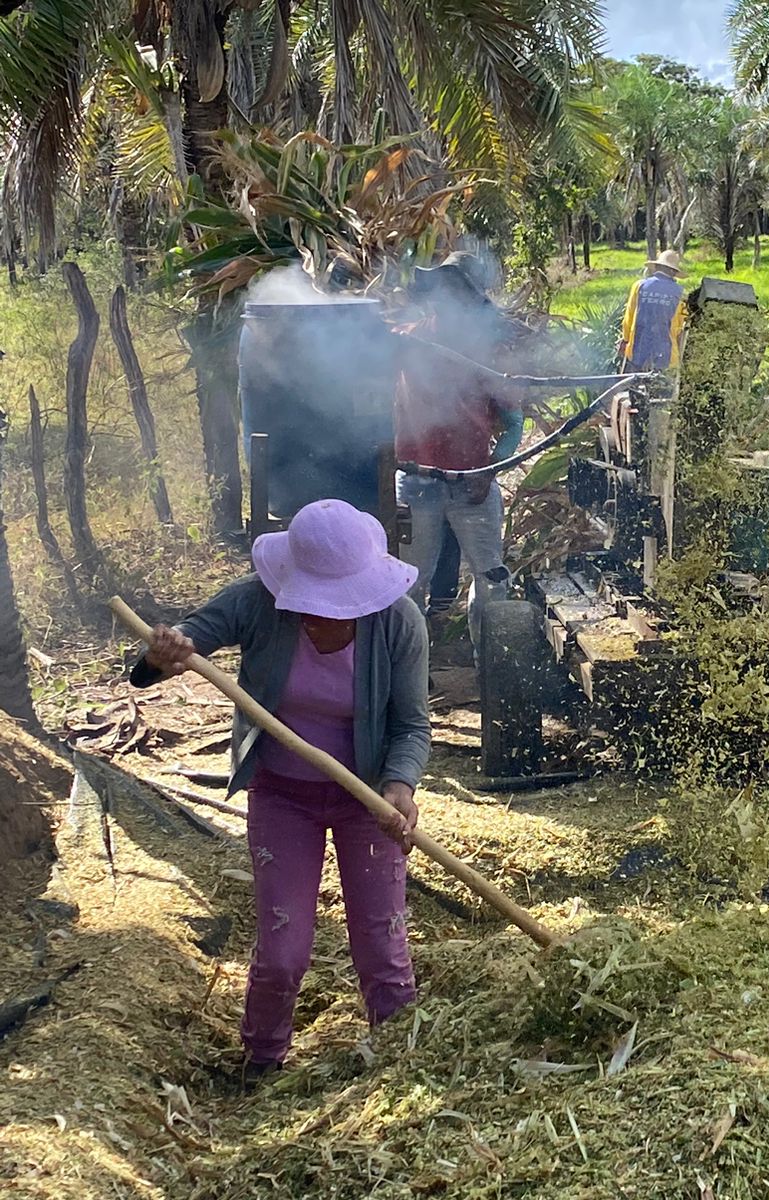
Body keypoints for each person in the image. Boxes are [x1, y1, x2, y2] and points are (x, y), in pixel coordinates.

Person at [131, 499, 431, 1084]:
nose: (322, 620)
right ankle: (262, 1059)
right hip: (282, 795)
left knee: (383, 942)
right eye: (311, 609)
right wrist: (163, 651)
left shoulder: (399, 623)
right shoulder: (256, 602)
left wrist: (399, 786)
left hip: (366, 800)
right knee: (284, 943)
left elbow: (411, 724)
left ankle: (402, 1064)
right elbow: (181, 644)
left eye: (338, 610)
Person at [393, 251, 525, 646]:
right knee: (407, 585)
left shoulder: (487, 355)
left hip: (474, 485)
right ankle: (411, 666)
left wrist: (492, 468)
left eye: (458, 293)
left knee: (491, 580)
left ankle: (490, 664)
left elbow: (514, 423)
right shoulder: (405, 342)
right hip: (417, 483)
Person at [618, 249, 687, 372]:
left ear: (656, 267)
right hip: (666, 356)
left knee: (634, 387)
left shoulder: (639, 286)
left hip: (638, 351)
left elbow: (628, 319)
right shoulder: (680, 293)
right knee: (662, 389)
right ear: (673, 271)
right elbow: (681, 329)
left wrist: (625, 341)